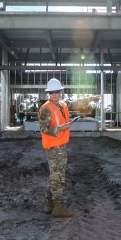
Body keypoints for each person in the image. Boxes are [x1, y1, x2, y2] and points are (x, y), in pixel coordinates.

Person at [38, 78, 76, 218]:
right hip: (53, 146)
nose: (53, 94)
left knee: (55, 175)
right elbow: (44, 128)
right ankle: (58, 207)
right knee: (59, 176)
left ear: (61, 91)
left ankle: (49, 204)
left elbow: (73, 102)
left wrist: (91, 98)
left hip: (60, 144)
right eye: (51, 92)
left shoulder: (62, 104)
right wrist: (62, 128)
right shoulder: (45, 108)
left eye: (56, 92)